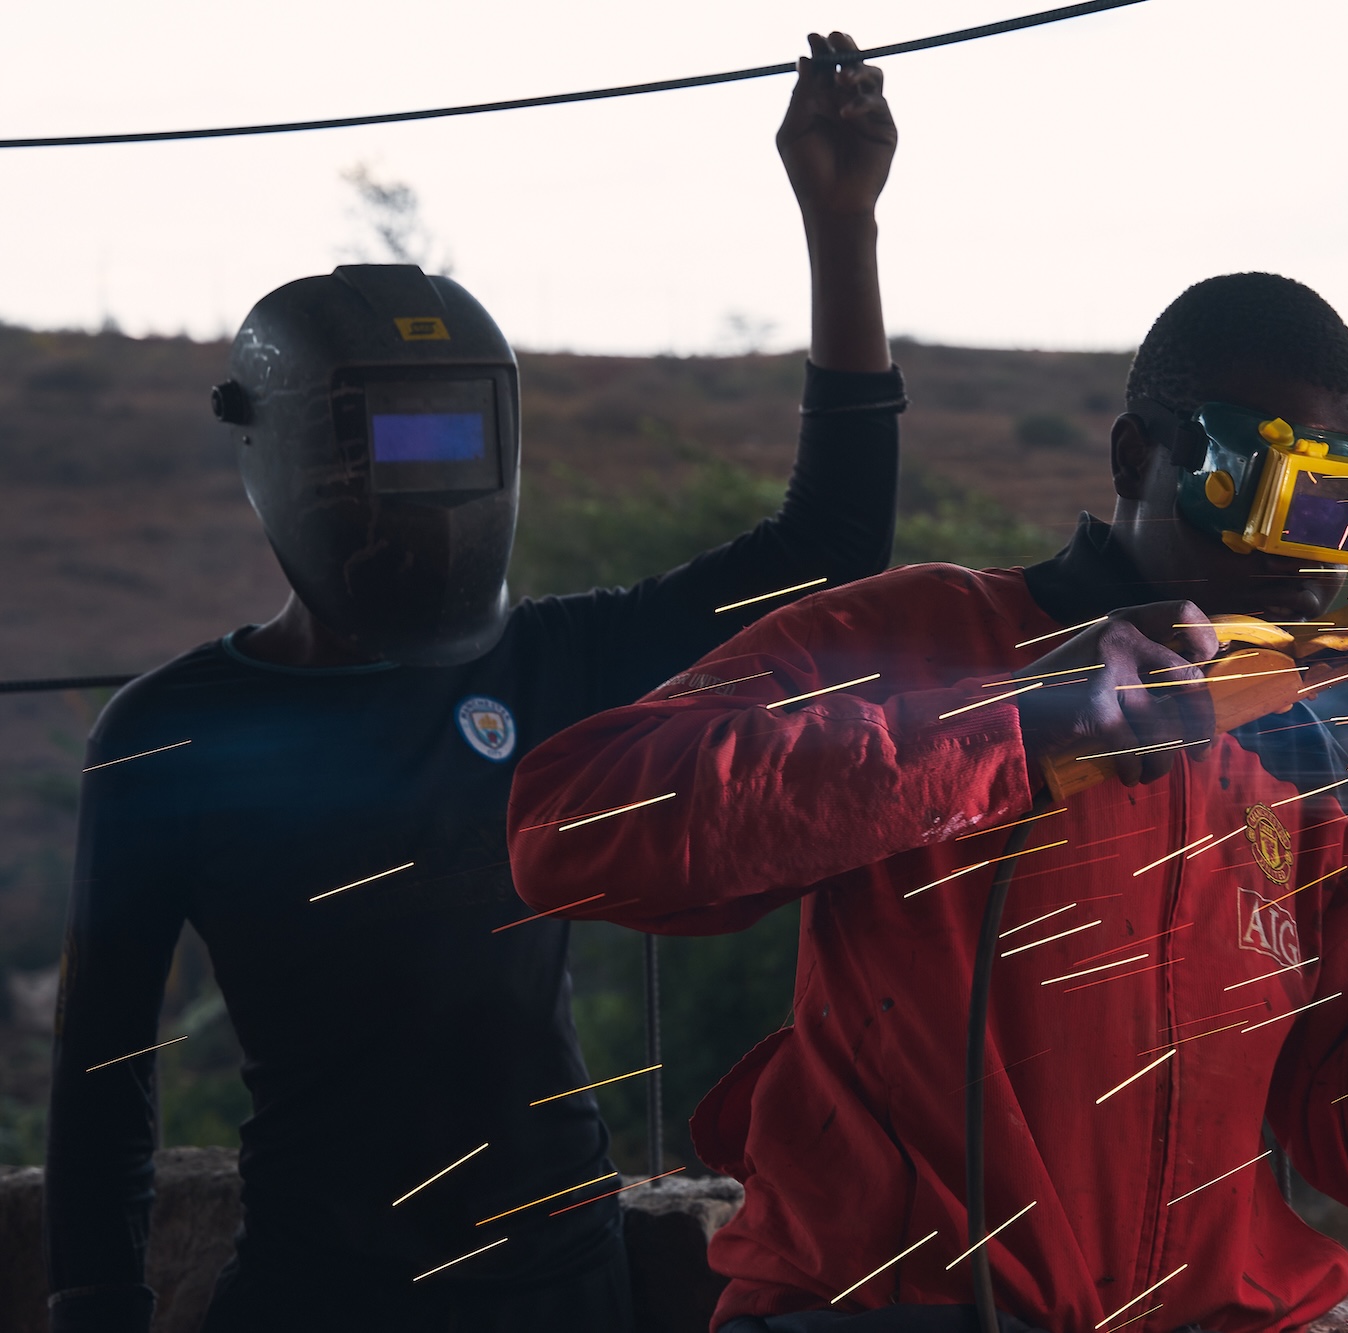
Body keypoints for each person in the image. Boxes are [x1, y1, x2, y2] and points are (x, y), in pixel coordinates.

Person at [506, 273, 1348, 1333]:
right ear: (1131, 458)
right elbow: (574, 830)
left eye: (1347, 519)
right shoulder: (921, 636)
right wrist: (1021, 729)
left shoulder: (1297, 755)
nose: (1308, 567)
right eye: (1268, 502)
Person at [43, 33, 900, 1333]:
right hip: (319, 1300)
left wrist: (842, 228)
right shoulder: (173, 738)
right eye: (384, 445)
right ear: (282, 455)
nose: (419, 496)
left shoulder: (545, 664)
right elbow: (105, 1075)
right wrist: (91, 1307)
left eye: (450, 440)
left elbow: (826, 552)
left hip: (566, 1287)